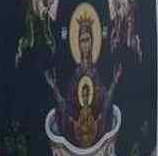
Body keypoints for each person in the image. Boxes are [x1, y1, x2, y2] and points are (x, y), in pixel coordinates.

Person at [46, 12, 122, 148]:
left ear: (92, 41)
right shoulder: (76, 75)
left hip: (96, 134)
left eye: (88, 39)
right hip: (77, 134)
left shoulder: (96, 72)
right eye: (82, 40)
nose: (85, 44)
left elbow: (105, 103)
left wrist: (115, 82)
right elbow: (66, 107)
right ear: (78, 43)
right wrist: (54, 87)